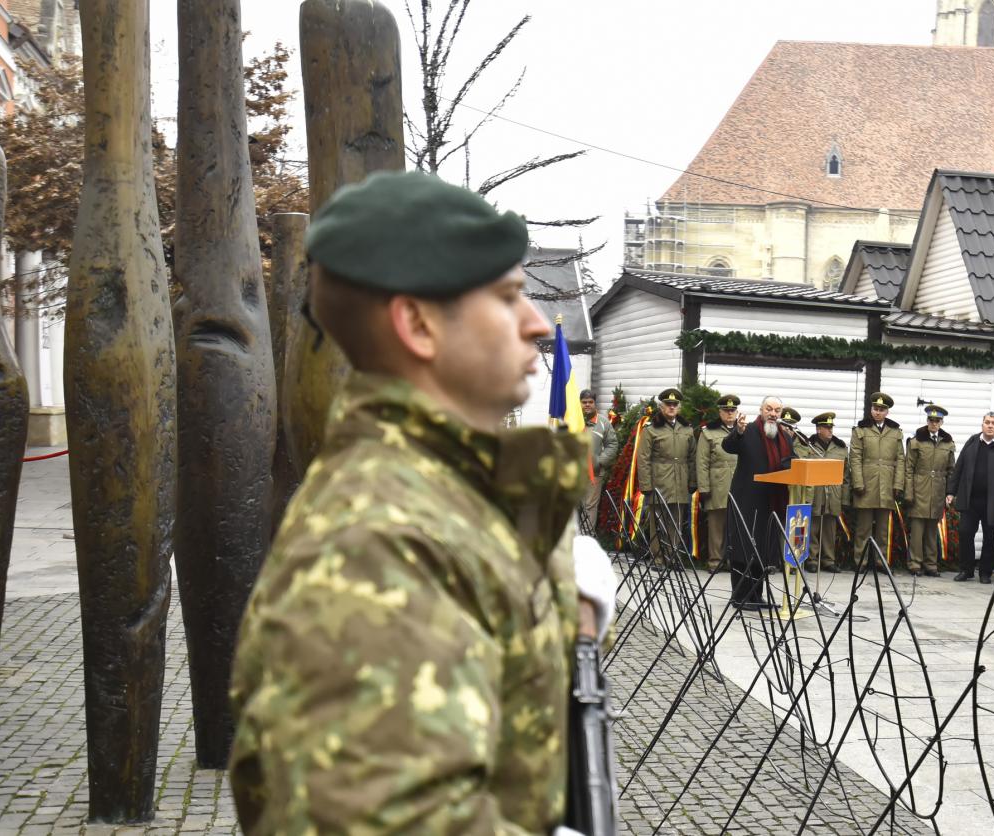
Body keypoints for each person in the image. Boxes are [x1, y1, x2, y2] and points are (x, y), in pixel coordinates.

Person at [228, 170, 617, 834]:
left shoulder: (437, 493)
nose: (534, 326)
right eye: (508, 297)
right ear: (418, 324)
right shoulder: (375, 544)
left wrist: (555, 598)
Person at [723, 396, 794, 609]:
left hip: (770, 501)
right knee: (743, 548)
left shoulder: (785, 436)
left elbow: (792, 461)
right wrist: (739, 431)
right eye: (769, 409)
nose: (773, 414)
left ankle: (756, 596)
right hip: (746, 499)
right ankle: (739, 596)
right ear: (761, 410)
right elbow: (728, 445)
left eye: (777, 410)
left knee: (762, 549)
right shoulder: (749, 430)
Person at [636, 387, 698, 563]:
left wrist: (693, 481)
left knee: (676, 522)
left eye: (675, 405)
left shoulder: (686, 429)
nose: (671, 408)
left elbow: (692, 457)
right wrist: (646, 485)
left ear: (679, 407)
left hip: (680, 481)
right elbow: (643, 459)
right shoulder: (651, 429)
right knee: (658, 522)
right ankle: (658, 558)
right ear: (661, 407)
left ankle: (672, 556)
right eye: (668, 404)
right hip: (659, 481)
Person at [947, 412, 994, 584]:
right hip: (970, 499)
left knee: (990, 537)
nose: (990, 425)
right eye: (987, 422)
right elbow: (959, 467)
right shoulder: (973, 441)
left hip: (993, 502)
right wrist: (951, 491)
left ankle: (985, 573)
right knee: (965, 533)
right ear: (982, 424)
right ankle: (966, 570)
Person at [850, 392, 905, 571]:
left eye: (882, 410)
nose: (878, 412)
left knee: (883, 529)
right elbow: (855, 458)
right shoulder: (860, 430)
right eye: (875, 409)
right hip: (866, 484)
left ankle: (881, 561)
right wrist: (857, 482)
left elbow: (900, 460)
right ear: (871, 410)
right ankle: (861, 561)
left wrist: (898, 484)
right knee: (863, 529)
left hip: (887, 485)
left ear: (887, 412)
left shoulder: (895, 432)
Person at [904, 405, 955, 577]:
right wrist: (909, 493)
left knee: (932, 531)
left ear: (941, 423)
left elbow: (951, 470)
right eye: (931, 420)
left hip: (938, 491)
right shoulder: (916, 441)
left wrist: (949, 492)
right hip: (919, 488)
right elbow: (908, 468)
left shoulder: (948, 442)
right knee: (917, 531)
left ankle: (931, 564)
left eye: (937, 421)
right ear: (927, 421)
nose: (933, 424)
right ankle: (915, 563)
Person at [695, 394, 740, 573]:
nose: (729, 414)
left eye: (732, 410)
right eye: (726, 410)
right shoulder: (708, 433)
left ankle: (733, 560)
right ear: (719, 412)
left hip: (739, 486)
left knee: (735, 526)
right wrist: (704, 488)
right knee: (716, 526)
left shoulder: (744, 430)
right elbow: (702, 462)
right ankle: (715, 561)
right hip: (717, 485)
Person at [807, 412, 848, 574]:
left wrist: (844, 499)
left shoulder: (840, 448)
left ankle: (828, 560)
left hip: (833, 494)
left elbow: (846, 476)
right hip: (815, 493)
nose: (830, 430)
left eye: (831, 427)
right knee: (813, 528)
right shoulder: (808, 446)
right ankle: (811, 559)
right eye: (826, 427)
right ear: (818, 429)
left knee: (830, 529)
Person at [579, 389, 618, 530]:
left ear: (595, 404)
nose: (587, 405)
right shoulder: (573, 420)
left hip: (594, 472)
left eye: (590, 402)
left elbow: (612, 444)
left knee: (590, 506)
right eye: (584, 402)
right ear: (579, 404)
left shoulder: (603, 423)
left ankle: (586, 542)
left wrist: (599, 461)